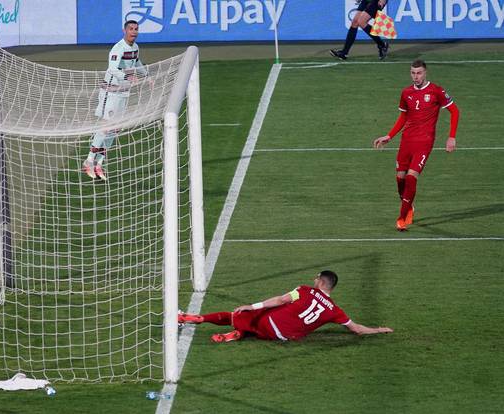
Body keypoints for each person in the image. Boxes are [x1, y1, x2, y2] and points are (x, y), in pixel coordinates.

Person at [178, 270, 393, 343]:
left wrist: (251, 306)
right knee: (265, 324)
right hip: (283, 337)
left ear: (320, 281)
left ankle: (192, 318)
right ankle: (240, 333)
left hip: (269, 323)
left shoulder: (305, 290)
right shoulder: (334, 310)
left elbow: (280, 300)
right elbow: (355, 329)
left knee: (238, 313)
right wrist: (378, 329)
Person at [373, 60, 460, 231]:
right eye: (413, 73)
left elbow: (455, 111)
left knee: (412, 177)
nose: (416, 76)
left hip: (425, 142)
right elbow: (403, 117)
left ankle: (402, 218)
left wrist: (451, 137)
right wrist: (389, 136)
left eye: (419, 73)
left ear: (425, 72)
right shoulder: (406, 93)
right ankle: (409, 206)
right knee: (400, 178)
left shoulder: (436, 91)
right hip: (407, 141)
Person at [83, 20, 147, 180]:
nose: (134, 31)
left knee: (115, 128)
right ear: (124, 31)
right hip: (110, 92)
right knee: (106, 126)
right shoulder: (118, 48)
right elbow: (111, 68)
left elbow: (137, 61)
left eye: (136, 29)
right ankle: (88, 161)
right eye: (131, 29)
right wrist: (128, 76)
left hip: (124, 92)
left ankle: (99, 164)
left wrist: (146, 74)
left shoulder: (135, 47)